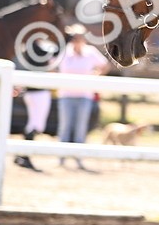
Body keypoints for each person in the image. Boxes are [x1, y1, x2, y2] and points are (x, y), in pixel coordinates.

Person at [56, 25, 109, 170]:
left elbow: (105, 65)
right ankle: (61, 158)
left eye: (79, 38)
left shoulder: (90, 52)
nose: (76, 41)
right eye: (74, 38)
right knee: (65, 127)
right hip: (66, 95)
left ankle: (79, 158)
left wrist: (95, 76)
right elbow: (52, 66)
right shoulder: (64, 53)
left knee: (81, 128)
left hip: (85, 95)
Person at [12, 35, 61, 172]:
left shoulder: (29, 52)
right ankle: (25, 156)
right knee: (36, 124)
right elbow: (53, 69)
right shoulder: (44, 53)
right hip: (40, 93)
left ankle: (22, 154)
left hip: (29, 92)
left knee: (31, 124)